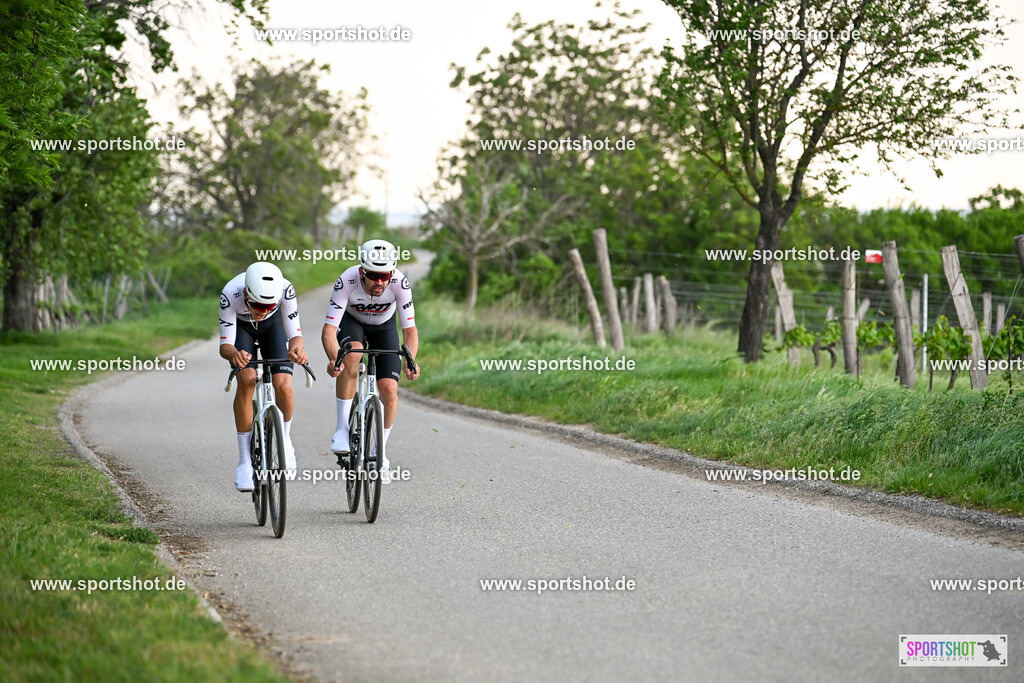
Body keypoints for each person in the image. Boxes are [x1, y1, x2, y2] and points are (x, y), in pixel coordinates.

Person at [322, 239, 419, 483]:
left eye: (384, 275)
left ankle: (380, 453)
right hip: (352, 322)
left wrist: (410, 360)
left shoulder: (399, 282)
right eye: (373, 276)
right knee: (352, 354)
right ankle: (342, 429)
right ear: (362, 271)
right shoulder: (347, 280)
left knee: (390, 389)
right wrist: (335, 358)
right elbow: (329, 329)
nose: (379, 282)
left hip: (384, 327)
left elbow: (409, 330)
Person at [219, 262, 308, 491]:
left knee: (284, 386)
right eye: (258, 305)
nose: (263, 310)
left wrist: (296, 349)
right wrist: (236, 354)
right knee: (247, 380)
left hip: (273, 329)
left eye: (270, 305)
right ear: (247, 293)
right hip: (242, 330)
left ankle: (285, 440)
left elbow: (295, 335)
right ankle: (244, 461)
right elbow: (225, 346)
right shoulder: (231, 293)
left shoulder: (285, 291)